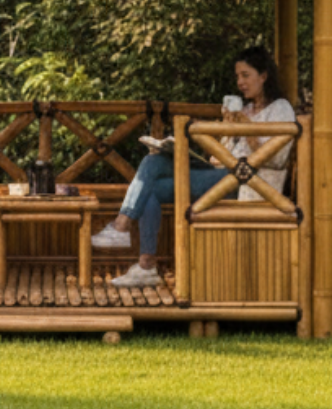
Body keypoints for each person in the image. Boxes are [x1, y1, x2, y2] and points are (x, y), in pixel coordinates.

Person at [91, 46, 299, 288]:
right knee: (154, 167)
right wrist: (227, 127)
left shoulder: (280, 108)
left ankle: (121, 228)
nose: (240, 82)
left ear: (264, 76)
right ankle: (145, 264)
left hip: (250, 184)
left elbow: (276, 158)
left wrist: (243, 125)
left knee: (151, 179)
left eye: (246, 75)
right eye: (237, 76)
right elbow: (218, 159)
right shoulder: (245, 110)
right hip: (224, 174)